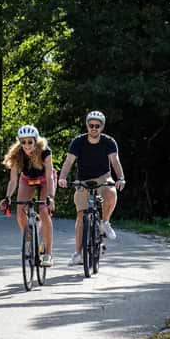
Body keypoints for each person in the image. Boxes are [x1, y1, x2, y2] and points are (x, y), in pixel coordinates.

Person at [57, 111, 126, 266]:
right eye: (91, 125)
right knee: (81, 216)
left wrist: (120, 178)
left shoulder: (109, 142)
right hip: (84, 180)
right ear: (87, 125)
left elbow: (115, 162)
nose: (94, 128)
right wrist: (62, 178)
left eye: (97, 125)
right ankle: (78, 254)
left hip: (103, 176)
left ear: (102, 127)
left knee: (111, 191)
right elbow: (68, 162)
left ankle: (105, 223)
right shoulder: (78, 142)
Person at [0, 125, 56, 267]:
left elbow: (49, 177)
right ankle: (29, 240)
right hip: (27, 180)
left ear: (35, 141)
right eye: (23, 142)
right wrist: (7, 197)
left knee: (43, 210)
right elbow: (13, 180)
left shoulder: (45, 152)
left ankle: (48, 254)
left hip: (44, 180)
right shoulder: (17, 154)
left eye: (30, 142)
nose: (26, 145)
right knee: (20, 212)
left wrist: (51, 197)